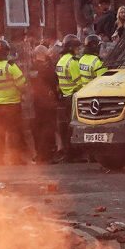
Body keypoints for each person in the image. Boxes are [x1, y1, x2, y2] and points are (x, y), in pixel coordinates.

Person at [30, 43, 61, 163]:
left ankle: (39, 154)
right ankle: (49, 155)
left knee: (37, 129)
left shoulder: (32, 68)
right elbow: (54, 82)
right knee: (49, 129)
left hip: (36, 103)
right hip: (48, 104)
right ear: (45, 54)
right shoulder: (48, 68)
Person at [54, 34, 83, 162]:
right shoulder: (72, 62)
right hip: (73, 97)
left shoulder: (61, 61)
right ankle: (73, 154)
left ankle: (67, 152)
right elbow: (79, 83)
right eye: (77, 47)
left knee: (66, 126)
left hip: (65, 96)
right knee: (74, 127)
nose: (78, 50)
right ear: (71, 48)